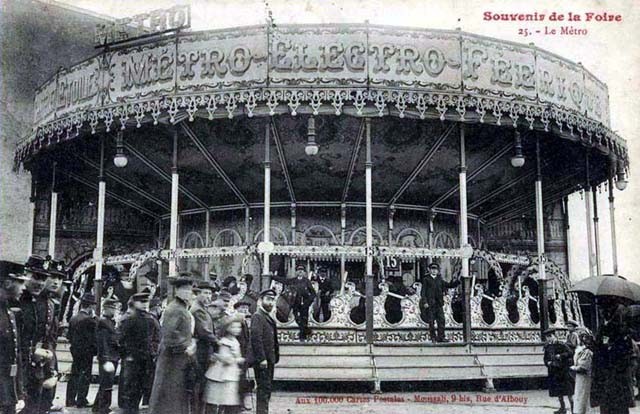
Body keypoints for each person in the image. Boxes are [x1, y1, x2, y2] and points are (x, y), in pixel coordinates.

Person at [149, 274, 197, 414]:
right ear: (177, 291)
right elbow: (169, 335)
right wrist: (187, 346)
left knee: (174, 396)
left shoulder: (181, 308)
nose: (188, 293)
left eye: (189, 290)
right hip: (172, 361)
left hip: (177, 360)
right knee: (169, 397)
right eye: (184, 290)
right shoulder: (175, 309)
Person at [18, 256, 58, 414]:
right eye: (35, 277)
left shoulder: (49, 305)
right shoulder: (15, 301)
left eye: (43, 278)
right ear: (25, 274)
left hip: (37, 371)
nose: (40, 283)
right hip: (16, 371)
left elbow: (48, 340)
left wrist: (51, 370)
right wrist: (32, 351)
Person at [118, 292, 160, 414]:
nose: (144, 305)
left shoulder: (151, 319)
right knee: (130, 390)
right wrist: (126, 355)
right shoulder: (128, 319)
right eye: (141, 302)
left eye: (146, 302)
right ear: (134, 303)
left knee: (143, 387)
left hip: (146, 359)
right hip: (132, 359)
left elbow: (157, 337)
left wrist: (153, 351)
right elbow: (120, 339)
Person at [591, 302, 635, 414]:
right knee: (607, 405)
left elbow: (626, 354)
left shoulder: (622, 331)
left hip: (616, 376)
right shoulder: (603, 328)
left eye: (602, 310)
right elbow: (600, 348)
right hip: (605, 376)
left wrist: (611, 347)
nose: (601, 313)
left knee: (617, 406)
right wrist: (594, 344)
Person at [0, 261, 28, 414]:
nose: (24, 288)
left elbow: (14, 356)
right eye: (21, 282)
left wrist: (18, 392)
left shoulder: (9, 312)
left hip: (7, 391)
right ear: (8, 283)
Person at [204, 314, 245, 413]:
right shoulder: (225, 342)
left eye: (239, 327)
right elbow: (225, 358)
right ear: (227, 328)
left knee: (230, 401)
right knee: (220, 400)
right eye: (234, 327)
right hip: (222, 375)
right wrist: (238, 360)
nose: (237, 329)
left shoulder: (235, 341)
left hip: (230, 374)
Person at [66, 293, 97, 408]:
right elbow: (93, 338)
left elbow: (69, 336)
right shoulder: (90, 320)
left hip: (75, 350)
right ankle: (81, 400)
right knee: (85, 376)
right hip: (86, 352)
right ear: (90, 307)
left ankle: (69, 400)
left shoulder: (73, 318)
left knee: (74, 374)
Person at [251, 289, 280, 414]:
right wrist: (261, 358)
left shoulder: (267, 317)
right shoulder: (257, 316)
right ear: (260, 301)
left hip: (269, 359)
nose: (270, 303)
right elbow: (256, 338)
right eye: (268, 299)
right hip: (263, 361)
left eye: (272, 300)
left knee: (266, 389)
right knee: (263, 390)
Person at [190, 281, 217, 414]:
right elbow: (204, 332)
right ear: (198, 294)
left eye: (210, 293)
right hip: (200, 352)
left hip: (204, 351)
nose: (209, 296)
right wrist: (218, 342)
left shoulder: (202, 309)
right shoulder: (198, 310)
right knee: (199, 386)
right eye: (205, 293)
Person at [273, 265, 315, 340]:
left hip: (304, 304)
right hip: (295, 303)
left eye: (302, 270)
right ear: (296, 272)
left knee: (304, 319)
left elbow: (313, 293)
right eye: (298, 270)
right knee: (297, 319)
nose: (300, 272)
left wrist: (308, 302)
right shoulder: (293, 281)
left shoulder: (306, 281)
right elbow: (284, 280)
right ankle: (304, 332)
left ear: (304, 273)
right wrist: (273, 277)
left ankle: (303, 336)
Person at [93, 298, 121, 414]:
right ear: (106, 308)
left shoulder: (109, 322)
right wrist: (106, 359)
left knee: (105, 383)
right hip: (108, 358)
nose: (114, 311)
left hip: (111, 356)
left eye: (115, 308)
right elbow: (103, 342)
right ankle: (103, 408)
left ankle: (97, 407)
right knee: (107, 384)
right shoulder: (103, 322)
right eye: (112, 308)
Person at [420, 262, 460, 343]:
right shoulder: (426, 279)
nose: (434, 271)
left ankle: (441, 337)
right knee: (431, 321)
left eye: (436, 270)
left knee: (441, 320)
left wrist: (458, 281)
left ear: (438, 271)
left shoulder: (439, 279)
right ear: (429, 270)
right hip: (430, 304)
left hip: (438, 304)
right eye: (432, 269)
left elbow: (449, 285)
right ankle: (433, 337)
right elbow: (423, 292)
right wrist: (425, 302)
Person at [543, 328, 574, 414]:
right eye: (547, 337)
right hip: (554, 371)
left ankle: (574, 409)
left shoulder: (561, 344)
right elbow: (545, 358)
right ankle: (562, 408)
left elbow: (570, 353)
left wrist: (560, 355)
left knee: (568, 392)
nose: (549, 338)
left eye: (550, 336)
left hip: (563, 371)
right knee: (558, 392)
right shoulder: (547, 347)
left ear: (554, 336)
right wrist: (547, 363)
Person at [233, 300, 254, 411]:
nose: (245, 310)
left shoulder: (245, 322)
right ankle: (237, 405)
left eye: (246, 308)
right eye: (242, 308)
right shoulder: (236, 322)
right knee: (238, 381)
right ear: (237, 309)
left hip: (244, 356)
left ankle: (241, 403)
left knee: (242, 380)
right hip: (237, 356)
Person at [571, 331, 594, 414]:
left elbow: (584, 367)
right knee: (580, 396)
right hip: (580, 378)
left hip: (585, 377)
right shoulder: (581, 350)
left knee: (584, 396)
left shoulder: (587, 352)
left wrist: (574, 368)